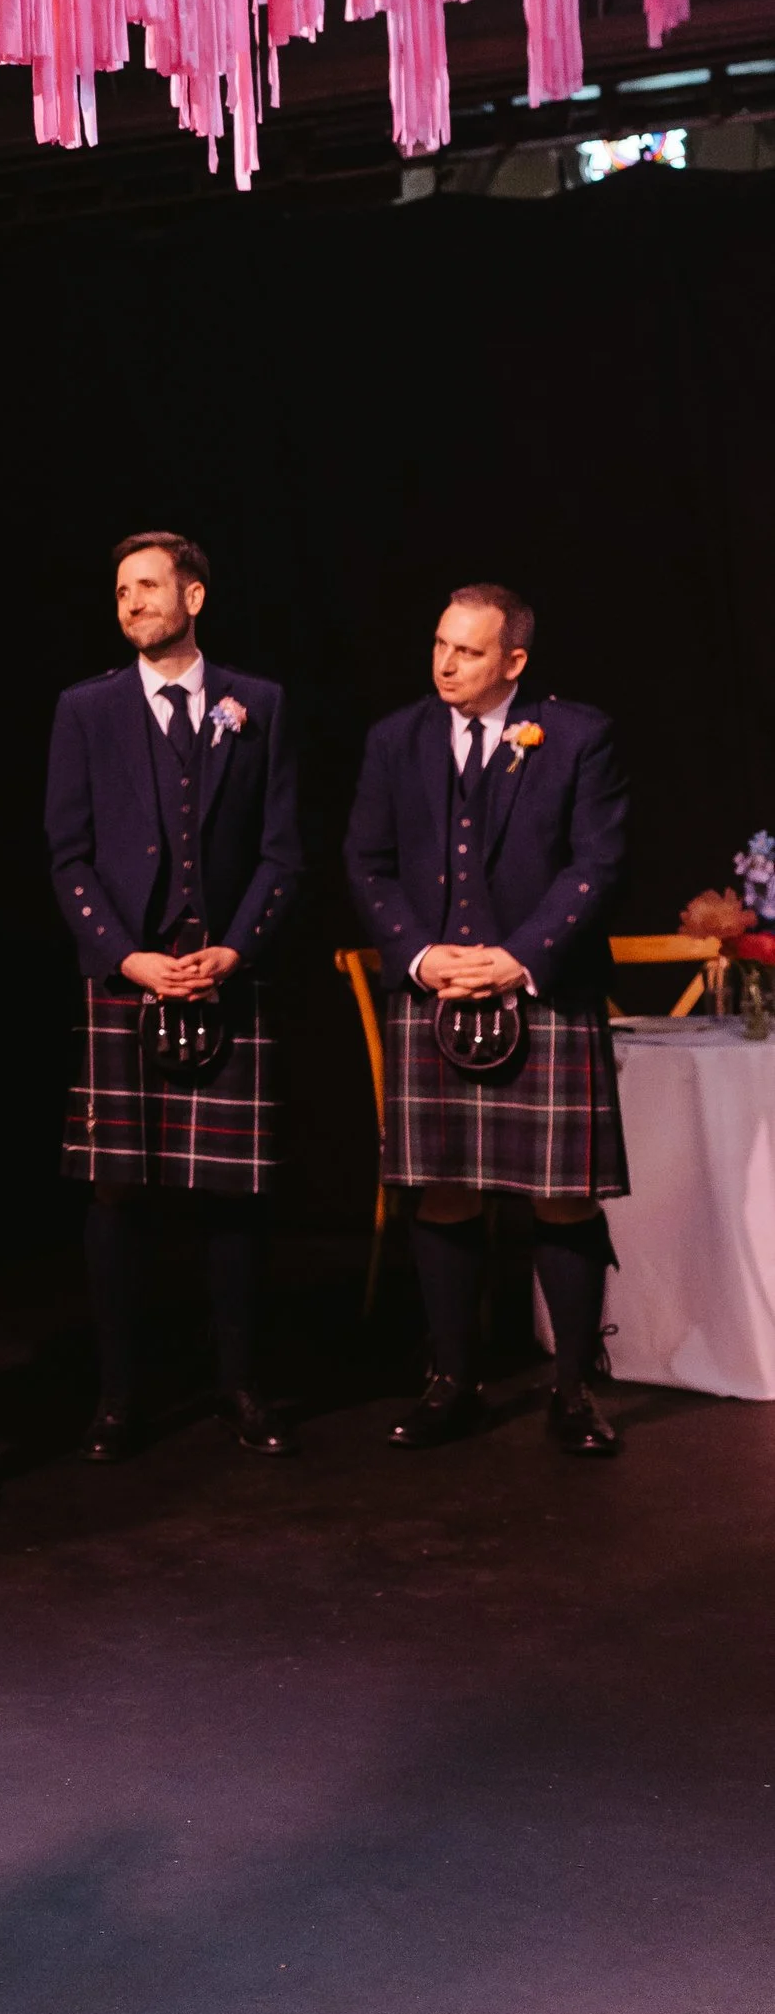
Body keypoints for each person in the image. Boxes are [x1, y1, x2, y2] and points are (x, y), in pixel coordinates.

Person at [344, 583, 630, 1456]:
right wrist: (423, 958)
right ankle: (452, 1381)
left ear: (514, 661)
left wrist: (521, 956)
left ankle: (574, 1391)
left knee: (564, 1195)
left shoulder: (579, 735)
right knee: (445, 1188)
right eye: (439, 644)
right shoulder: (397, 738)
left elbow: (597, 860)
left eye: (467, 651)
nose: (445, 662)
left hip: (540, 988)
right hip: (434, 992)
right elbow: (367, 860)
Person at [46, 530, 302, 1461]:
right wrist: (125, 957)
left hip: (225, 970)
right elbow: (67, 855)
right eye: (120, 590)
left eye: (148, 587)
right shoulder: (86, 709)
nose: (131, 603)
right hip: (129, 975)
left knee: (231, 1194)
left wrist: (237, 946)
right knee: (116, 1190)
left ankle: (238, 1384)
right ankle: (118, 1396)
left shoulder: (258, 705)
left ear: (194, 596)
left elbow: (280, 849)